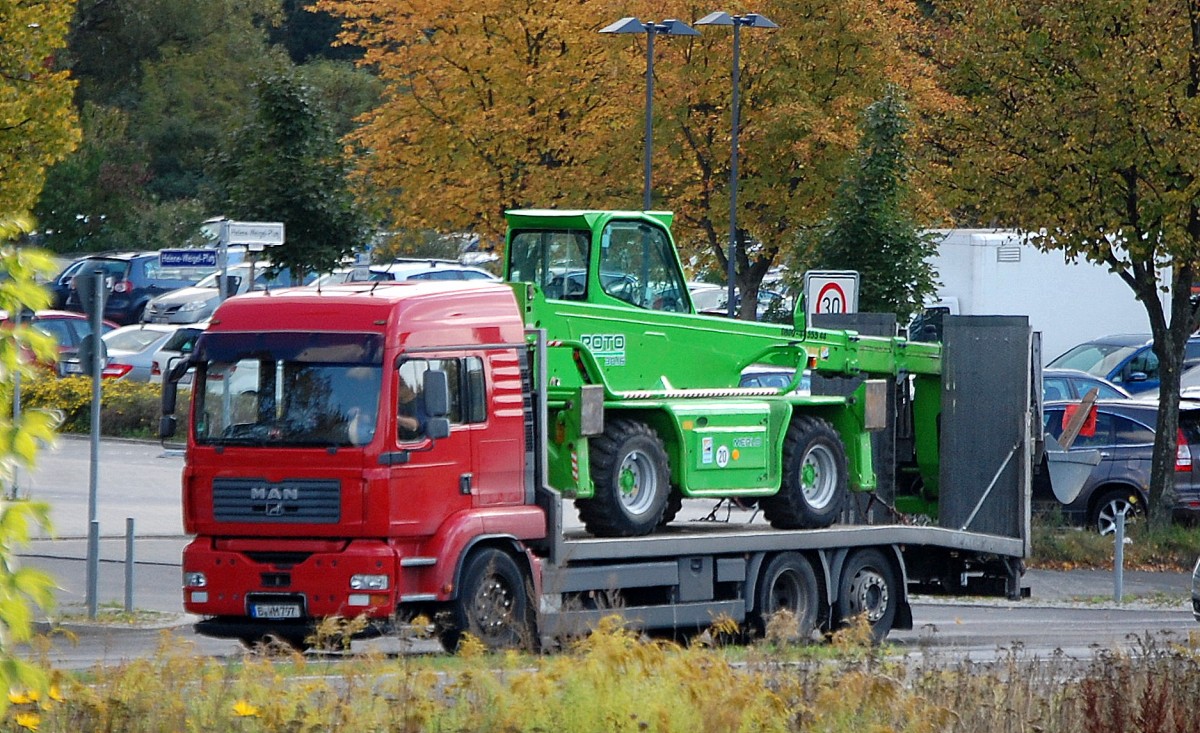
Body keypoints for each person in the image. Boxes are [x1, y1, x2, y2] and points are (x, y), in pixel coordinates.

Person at [397, 375, 427, 439]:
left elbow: (414, 425)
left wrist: (394, 418)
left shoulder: (422, 403)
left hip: (417, 442)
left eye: (400, 385)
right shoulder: (396, 405)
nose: (397, 390)